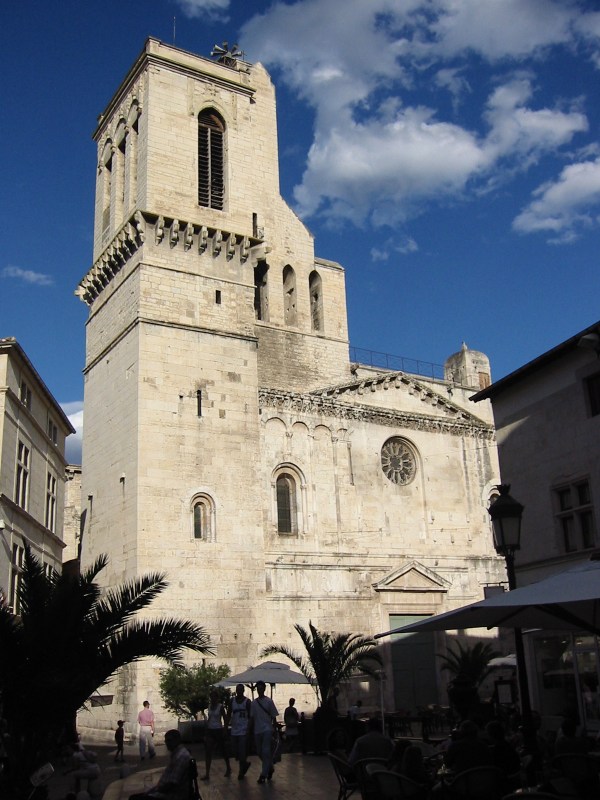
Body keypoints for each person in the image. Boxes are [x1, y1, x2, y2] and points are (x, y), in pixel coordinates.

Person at [129, 729, 191, 800]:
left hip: (169, 795)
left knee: (134, 798)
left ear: (177, 740)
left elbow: (172, 783)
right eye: (166, 741)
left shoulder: (180, 757)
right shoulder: (177, 754)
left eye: (169, 740)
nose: (167, 743)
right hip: (165, 792)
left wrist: (156, 790)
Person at [250, 680, 278, 784]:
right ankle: (270, 767)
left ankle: (263, 774)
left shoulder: (269, 701)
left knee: (266, 751)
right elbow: (252, 718)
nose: (259, 690)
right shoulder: (253, 703)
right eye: (258, 688)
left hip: (267, 729)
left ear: (264, 689)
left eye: (261, 688)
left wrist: (274, 729)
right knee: (259, 752)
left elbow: (274, 716)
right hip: (257, 730)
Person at [202, 688, 232, 780]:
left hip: (218, 729)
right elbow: (209, 718)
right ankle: (207, 773)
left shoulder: (220, 707)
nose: (213, 699)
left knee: (223, 750)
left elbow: (225, 718)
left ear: (217, 698)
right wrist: (206, 730)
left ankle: (228, 767)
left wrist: (225, 729)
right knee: (208, 751)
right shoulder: (209, 707)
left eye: (214, 697)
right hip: (210, 730)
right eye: (211, 697)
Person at [226, 684, 252, 779]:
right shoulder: (232, 701)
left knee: (242, 750)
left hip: (243, 729)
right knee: (234, 750)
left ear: (243, 690)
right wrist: (225, 727)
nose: (239, 691)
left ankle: (241, 771)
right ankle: (245, 763)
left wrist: (249, 729)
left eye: (240, 690)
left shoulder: (247, 702)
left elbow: (250, 716)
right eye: (237, 690)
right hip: (234, 729)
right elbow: (228, 713)